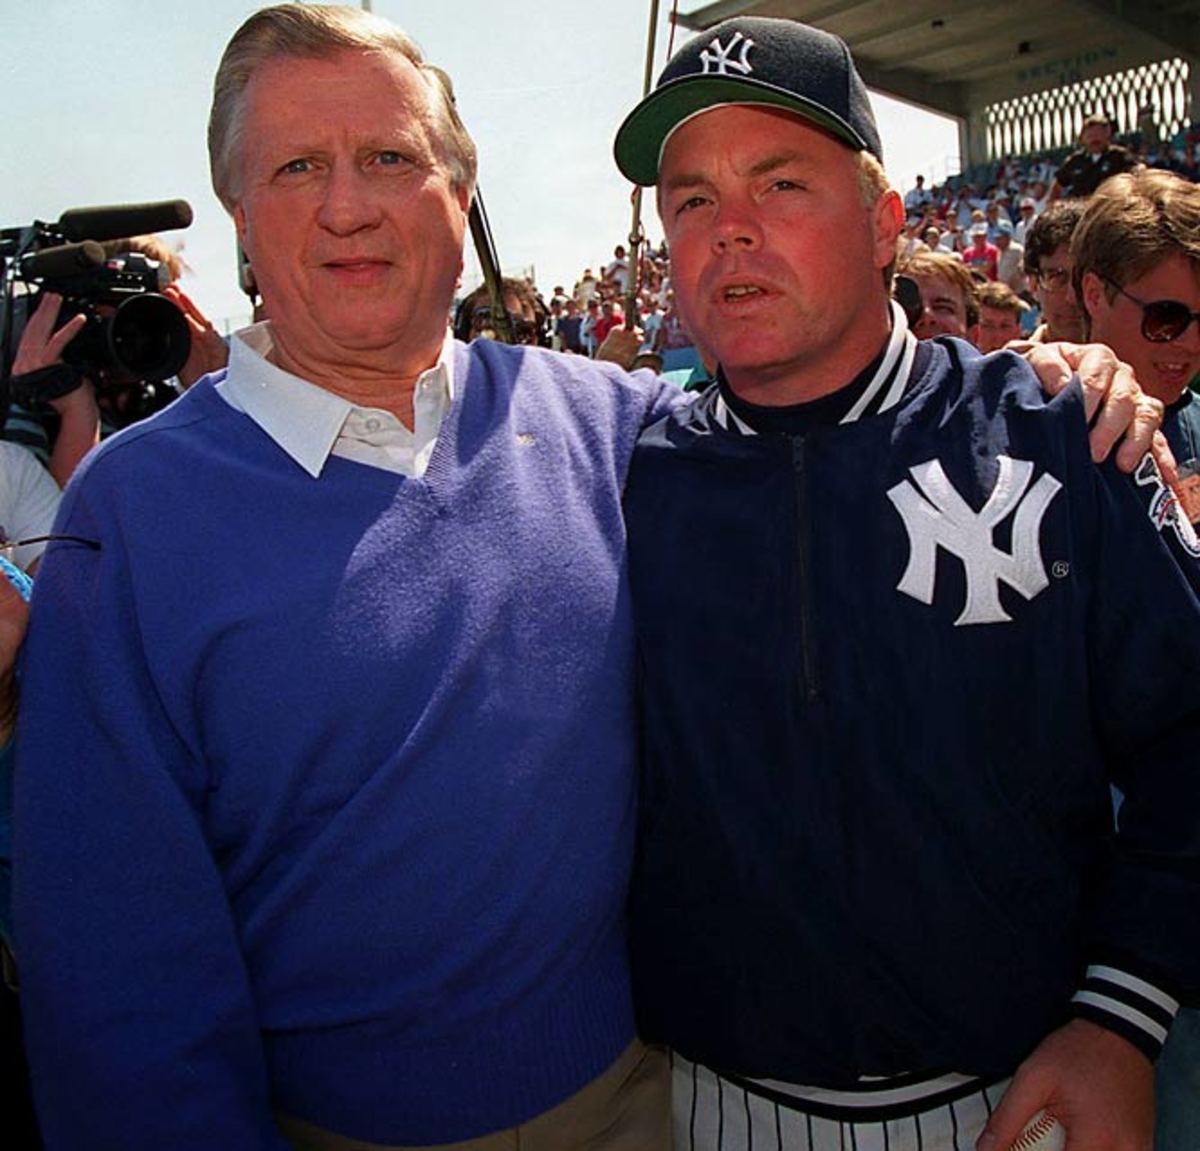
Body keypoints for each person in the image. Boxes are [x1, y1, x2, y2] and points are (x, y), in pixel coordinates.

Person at [14, 6, 681, 1148]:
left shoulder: (610, 423)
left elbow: (833, 427)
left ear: (459, 192)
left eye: (387, 156)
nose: (346, 204)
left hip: (648, 1093)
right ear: (239, 217)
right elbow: (113, 964)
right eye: (295, 166)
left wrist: (1053, 390)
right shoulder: (126, 515)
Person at [613, 16, 1200, 1151]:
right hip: (701, 1104)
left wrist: (1122, 1015)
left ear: (885, 221)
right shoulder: (627, 476)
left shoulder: (1057, 435)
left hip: (1025, 1098)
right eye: (691, 200)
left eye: (782, 183)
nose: (730, 230)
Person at [1069, 166, 1200, 1151]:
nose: (1190, 343)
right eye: (1164, 318)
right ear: (1091, 294)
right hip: (1102, 954)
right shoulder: (1032, 423)